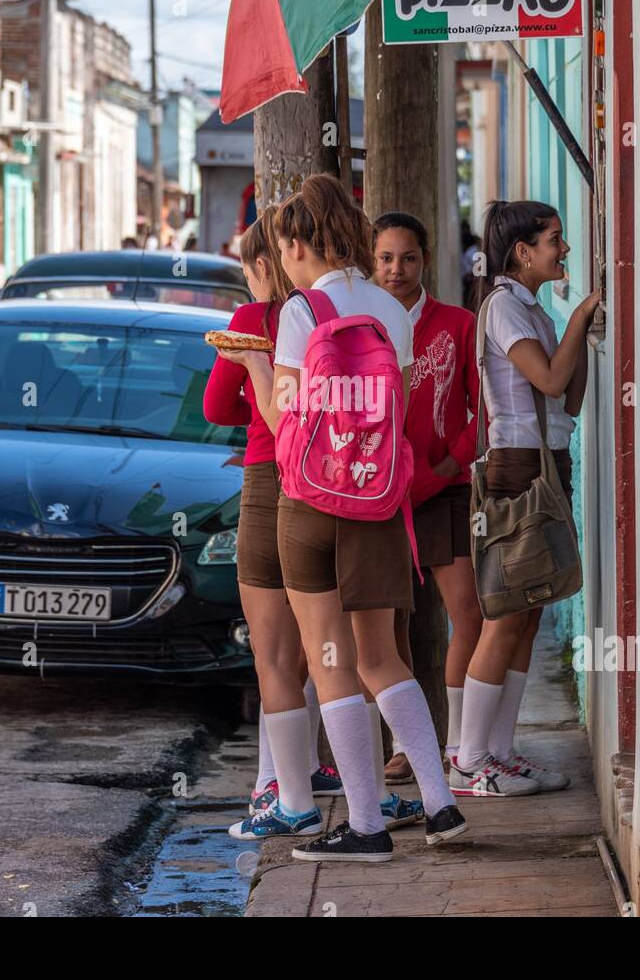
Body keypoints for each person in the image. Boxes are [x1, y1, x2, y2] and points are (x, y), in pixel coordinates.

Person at [221, 175, 466, 863]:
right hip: (380, 499)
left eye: (287, 245)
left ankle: (365, 826)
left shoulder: (303, 311)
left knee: (329, 659)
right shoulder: (393, 311)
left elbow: (283, 421)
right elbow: (407, 404)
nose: (286, 258)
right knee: (381, 656)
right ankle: (441, 802)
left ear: (300, 243)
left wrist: (255, 365)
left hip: (312, 503)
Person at [450, 201, 601, 798]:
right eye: (554, 240)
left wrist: (579, 330)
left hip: (546, 461)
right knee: (507, 612)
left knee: (530, 612)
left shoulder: (534, 308)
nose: (563, 250)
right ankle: (468, 762)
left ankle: (499, 752)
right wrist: (580, 318)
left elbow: (569, 398)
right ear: (522, 251)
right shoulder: (505, 307)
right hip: (517, 468)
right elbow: (547, 379)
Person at [203, 210, 344, 840]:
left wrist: (251, 377)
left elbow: (214, 407)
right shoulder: (331, 308)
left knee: (272, 651)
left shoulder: (252, 323)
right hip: (338, 477)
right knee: (326, 643)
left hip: (270, 473)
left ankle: (279, 788)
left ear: (263, 263)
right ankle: (310, 770)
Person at [371, 212, 486, 782]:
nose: (396, 269)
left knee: (469, 611)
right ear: (372, 262)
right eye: (386, 258)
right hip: (377, 496)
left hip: (444, 492)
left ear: (425, 260)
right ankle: (405, 748)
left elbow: (481, 409)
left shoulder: (458, 324)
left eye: (408, 257)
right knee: (390, 628)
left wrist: (447, 464)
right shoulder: (360, 324)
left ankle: (464, 746)